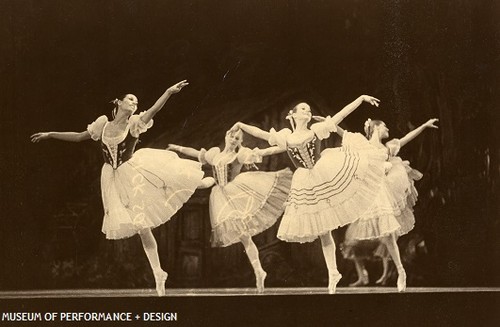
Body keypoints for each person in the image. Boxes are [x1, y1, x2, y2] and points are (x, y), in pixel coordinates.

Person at [31, 80, 212, 296]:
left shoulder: (134, 123)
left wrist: (168, 92)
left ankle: (206, 183)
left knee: (168, 193)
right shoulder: (102, 124)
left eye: (136, 101)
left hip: (133, 172)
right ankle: (159, 273)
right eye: (130, 99)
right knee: (142, 226)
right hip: (112, 177)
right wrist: (51, 134)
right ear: (119, 101)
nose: (135, 103)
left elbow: (153, 110)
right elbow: (79, 136)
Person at [231, 95, 387, 293]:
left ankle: (333, 272)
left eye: (308, 109)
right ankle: (333, 273)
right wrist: (241, 125)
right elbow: (261, 134)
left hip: (324, 172)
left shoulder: (315, 130)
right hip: (305, 181)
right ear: (293, 115)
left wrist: (361, 99)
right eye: (303, 109)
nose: (307, 111)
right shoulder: (286, 136)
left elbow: (340, 115)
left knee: (328, 224)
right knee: (323, 230)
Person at [167, 127, 293, 293]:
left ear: (240, 142)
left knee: (245, 236)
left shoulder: (239, 155)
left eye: (237, 138)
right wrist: (178, 148)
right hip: (220, 195)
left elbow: (264, 152)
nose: (234, 139)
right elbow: (197, 153)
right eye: (232, 136)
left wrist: (284, 147)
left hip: (236, 193)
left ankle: (258, 271)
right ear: (226, 136)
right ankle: (259, 271)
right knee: (244, 236)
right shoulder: (215, 155)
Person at [343, 118, 439, 291]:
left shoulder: (388, 148)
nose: (388, 128)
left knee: (388, 234)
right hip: (369, 193)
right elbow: (345, 135)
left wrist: (423, 126)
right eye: (385, 126)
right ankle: (395, 271)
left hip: (384, 193)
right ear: (376, 128)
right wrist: (331, 125)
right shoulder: (364, 145)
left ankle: (401, 272)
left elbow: (407, 138)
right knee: (370, 236)